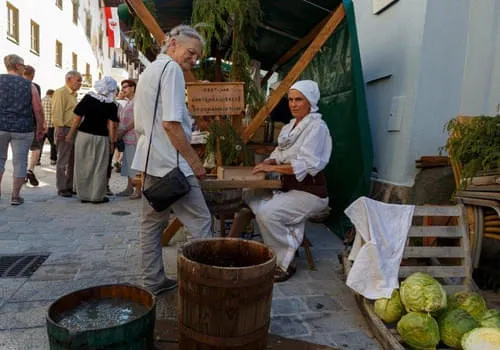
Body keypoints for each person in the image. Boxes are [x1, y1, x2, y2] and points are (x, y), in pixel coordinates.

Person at [131, 24, 212, 295]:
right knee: (201, 224)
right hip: (172, 165)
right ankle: (201, 287)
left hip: (150, 161)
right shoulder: (172, 70)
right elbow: (171, 124)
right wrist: (196, 163)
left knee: (151, 226)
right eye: (192, 52)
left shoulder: (151, 70)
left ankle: (153, 282)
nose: (194, 59)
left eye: (197, 55)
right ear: (173, 44)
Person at [246, 80, 332, 282]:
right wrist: (268, 161)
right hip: (288, 187)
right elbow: (279, 152)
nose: (293, 104)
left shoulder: (317, 128)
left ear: (310, 101)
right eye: (291, 100)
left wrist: (271, 168)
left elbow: (306, 165)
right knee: (249, 194)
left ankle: (285, 262)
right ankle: (290, 234)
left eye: (299, 99)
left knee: (268, 214)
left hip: (310, 192)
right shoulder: (290, 127)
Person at [66, 76, 119, 203]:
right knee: (99, 166)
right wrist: (112, 142)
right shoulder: (112, 104)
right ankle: (96, 196)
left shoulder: (88, 98)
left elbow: (77, 118)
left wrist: (70, 134)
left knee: (83, 164)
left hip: (84, 135)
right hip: (102, 137)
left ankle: (83, 195)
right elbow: (112, 125)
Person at [0, 54, 45, 205]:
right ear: (18, 66)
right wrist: (40, 126)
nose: (24, 68)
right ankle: (15, 196)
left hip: (1, 126)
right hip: (23, 128)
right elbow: (37, 109)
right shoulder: (29, 85)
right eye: (23, 65)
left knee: (0, 160)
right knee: (20, 162)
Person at [52, 70, 82, 197]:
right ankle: (62, 187)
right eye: (78, 80)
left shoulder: (74, 94)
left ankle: (69, 186)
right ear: (69, 79)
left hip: (73, 129)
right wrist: (59, 128)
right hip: (64, 128)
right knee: (63, 160)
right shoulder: (61, 92)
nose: (80, 83)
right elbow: (57, 111)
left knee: (72, 160)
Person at [116, 79, 140, 199]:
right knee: (128, 163)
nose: (123, 90)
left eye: (125, 87)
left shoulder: (137, 101)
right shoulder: (129, 102)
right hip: (126, 137)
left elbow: (136, 119)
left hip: (133, 137)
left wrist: (124, 130)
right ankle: (129, 187)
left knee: (134, 165)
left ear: (133, 87)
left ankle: (138, 190)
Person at [23, 65, 43, 186]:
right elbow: (37, 107)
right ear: (32, 75)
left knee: (21, 150)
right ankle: (30, 170)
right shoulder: (35, 87)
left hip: (16, 123)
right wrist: (41, 123)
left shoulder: (15, 85)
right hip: (32, 122)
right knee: (35, 148)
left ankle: (21, 173)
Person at [40, 89, 57, 165]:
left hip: (42, 126)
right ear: (51, 94)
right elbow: (55, 113)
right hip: (51, 126)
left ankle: (37, 160)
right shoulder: (53, 101)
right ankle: (53, 160)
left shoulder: (41, 100)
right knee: (53, 143)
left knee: (40, 143)